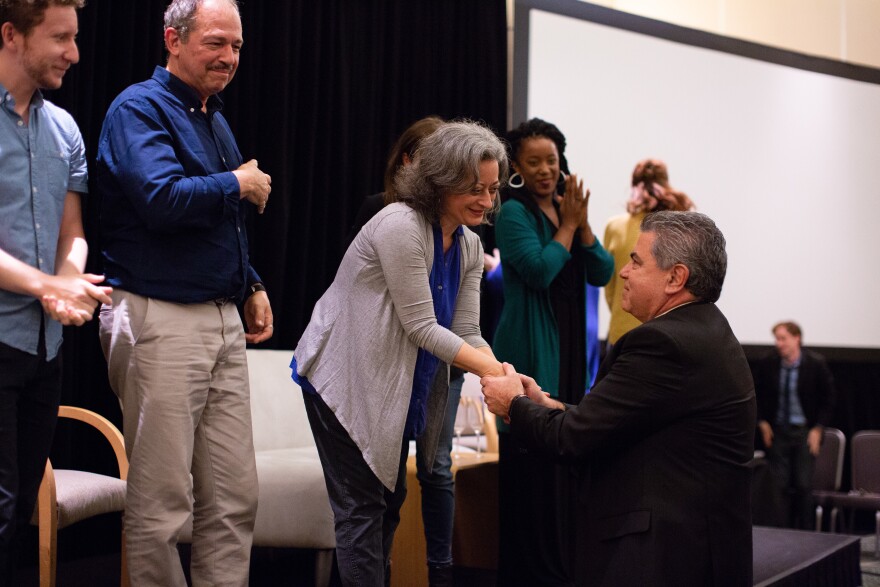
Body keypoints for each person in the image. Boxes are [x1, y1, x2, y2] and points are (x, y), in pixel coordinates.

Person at [96, 0, 274, 584]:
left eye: (238, 47)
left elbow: (221, 219)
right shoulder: (137, 109)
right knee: (163, 501)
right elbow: (161, 200)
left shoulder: (213, 116)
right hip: (159, 317)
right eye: (216, 43)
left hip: (220, 318)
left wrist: (250, 283)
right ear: (173, 39)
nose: (229, 58)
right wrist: (237, 183)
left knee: (233, 497)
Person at [482, 211, 756, 586]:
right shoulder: (706, 329)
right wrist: (551, 407)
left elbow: (573, 438)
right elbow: (623, 422)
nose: (622, 272)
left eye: (635, 261)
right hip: (696, 551)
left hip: (663, 559)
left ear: (676, 278)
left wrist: (513, 403)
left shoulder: (663, 343)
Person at [291, 120, 506, 586]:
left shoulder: (470, 243)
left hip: (396, 386)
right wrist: (494, 371)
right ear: (439, 179)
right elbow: (424, 328)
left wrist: (504, 370)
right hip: (341, 381)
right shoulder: (399, 224)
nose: (487, 202)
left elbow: (467, 330)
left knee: (386, 504)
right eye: (474, 189)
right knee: (363, 510)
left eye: (492, 190)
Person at [0, 1, 111, 582]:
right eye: (60, 37)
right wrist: (48, 283)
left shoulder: (64, 128)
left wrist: (70, 280)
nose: (73, 52)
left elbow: (72, 231)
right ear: (11, 34)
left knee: (18, 509)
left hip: (43, 350)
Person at [492, 117, 613, 586]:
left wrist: (579, 226)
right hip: (528, 352)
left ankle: (561, 569)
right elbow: (539, 271)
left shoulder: (568, 207)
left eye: (552, 160)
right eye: (533, 162)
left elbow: (602, 271)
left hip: (568, 352)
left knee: (563, 470)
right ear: (517, 167)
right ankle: (529, 574)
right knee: (532, 473)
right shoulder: (513, 212)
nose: (545, 170)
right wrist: (567, 226)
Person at [345, 114, 463, 585]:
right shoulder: (387, 213)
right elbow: (364, 298)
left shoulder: (464, 232)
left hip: (439, 362)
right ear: (411, 161)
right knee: (379, 488)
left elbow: (461, 316)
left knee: (433, 470)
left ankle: (441, 571)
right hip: (387, 363)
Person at [603, 158, 694, 346]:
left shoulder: (615, 226)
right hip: (668, 334)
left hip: (621, 332)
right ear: (665, 183)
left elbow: (610, 288)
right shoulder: (682, 226)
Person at [754, 321, 836, 529]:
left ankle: (807, 532)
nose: (778, 343)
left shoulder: (814, 363)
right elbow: (757, 395)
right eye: (777, 339)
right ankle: (781, 532)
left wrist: (818, 428)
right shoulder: (769, 362)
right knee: (778, 487)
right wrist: (762, 422)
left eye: (783, 338)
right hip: (778, 431)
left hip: (804, 432)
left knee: (803, 485)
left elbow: (829, 400)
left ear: (796, 338)